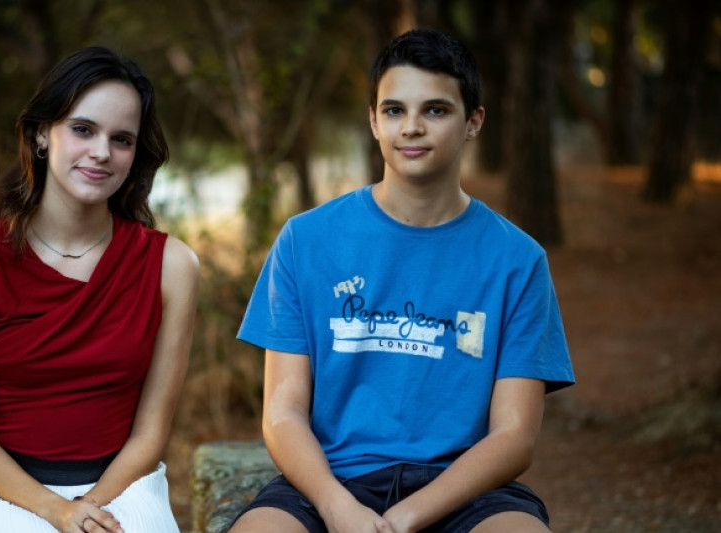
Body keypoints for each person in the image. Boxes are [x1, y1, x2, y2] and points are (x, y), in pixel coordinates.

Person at [229, 28, 575, 533]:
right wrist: (337, 507)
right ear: (373, 121)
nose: (412, 127)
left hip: (464, 492)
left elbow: (515, 437)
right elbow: (283, 413)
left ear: (473, 121)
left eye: (436, 110)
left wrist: (406, 517)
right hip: (330, 483)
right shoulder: (306, 240)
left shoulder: (518, 261)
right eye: (394, 110)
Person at [0, 46, 199, 533]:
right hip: (2, 489)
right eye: (83, 129)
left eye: (122, 139)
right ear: (41, 133)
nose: (102, 152)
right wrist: (57, 511)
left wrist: (87, 511)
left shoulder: (171, 266)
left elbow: (149, 435)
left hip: (122, 487)